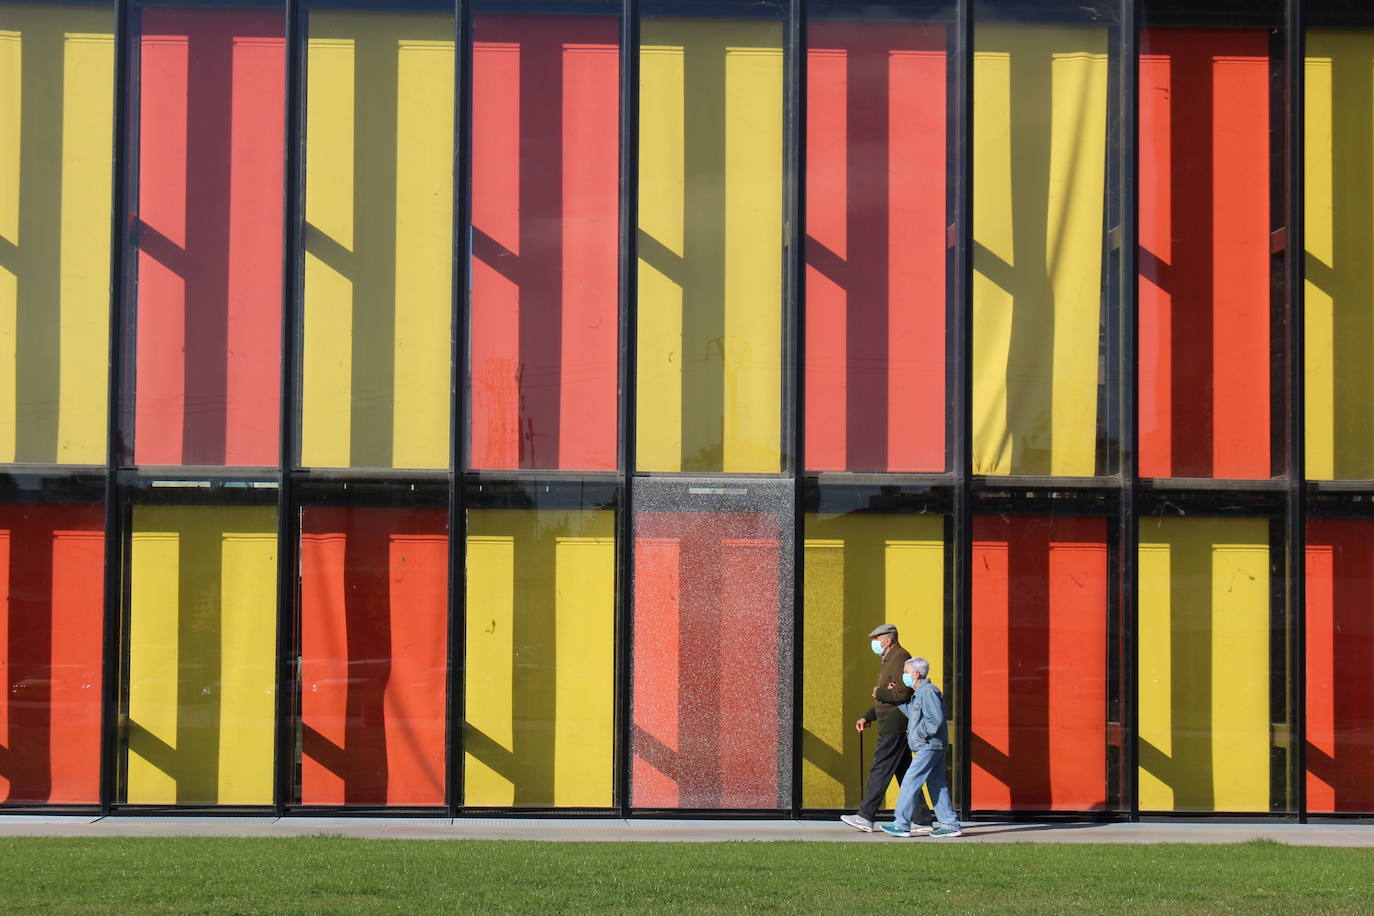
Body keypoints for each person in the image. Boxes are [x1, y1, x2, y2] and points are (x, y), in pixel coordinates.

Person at [839, 624, 932, 832]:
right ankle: (922, 819)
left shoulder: (899, 657)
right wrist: (868, 716)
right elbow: (889, 696)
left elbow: (902, 693)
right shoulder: (890, 659)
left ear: (887, 640)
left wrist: (880, 692)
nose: (874, 643)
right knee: (906, 773)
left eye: (876, 639)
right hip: (891, 724)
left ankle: (865, 816)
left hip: (895, 726)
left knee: (880, 770)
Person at [879, 657, 961, 838]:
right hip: (931, 745)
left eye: (906, 672)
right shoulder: (920, 693)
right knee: (937, 784)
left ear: (916, 674)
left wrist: (921, 735)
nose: (904, 676)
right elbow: (913, 714)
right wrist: (896, 699)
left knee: (910, 780)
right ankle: (950, 824)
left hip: (929, 746)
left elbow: (935, 720)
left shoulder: (928, 692)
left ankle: (901, 824)